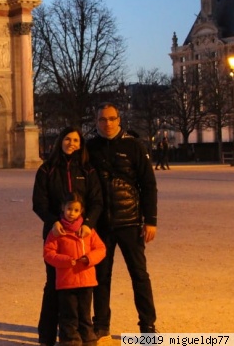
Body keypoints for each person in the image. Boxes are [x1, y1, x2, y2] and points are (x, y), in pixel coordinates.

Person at [87, 103, 159, 336]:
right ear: (96, 122)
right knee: (100, 277)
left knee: (139, 275)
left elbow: (148, 184)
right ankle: (100, 324)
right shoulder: (90, 148)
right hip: (101, 224)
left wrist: (151, 220)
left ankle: (147, 325)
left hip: (130, 220)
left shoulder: (134, 145)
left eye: (111, 119)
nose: (107, 123)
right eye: (102, 120)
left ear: (119, 120)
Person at [33, 126, 103, 346]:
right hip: (56, 232)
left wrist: (89, 224)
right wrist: (52, 221)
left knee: (82, 288)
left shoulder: (88, 170)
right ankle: (46, 335)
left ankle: (79, 334)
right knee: (53, 284)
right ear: (60, 141)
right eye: (67, 139)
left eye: (75, 140)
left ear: (80, 144)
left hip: (83, 234)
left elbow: (96, 201)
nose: (71, 143)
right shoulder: (47, 169)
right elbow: (39, 202)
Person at [43, 194, 106, 346]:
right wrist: (65, 261)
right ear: (63, 208)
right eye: (69, 209)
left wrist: (89, 259)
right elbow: (48, 253)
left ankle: (88, 338)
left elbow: (101, 249)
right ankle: (69, 339)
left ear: (81, 211)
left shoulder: (87, 231)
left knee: (85, 313)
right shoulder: (57, 232)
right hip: (67, 280)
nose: (72, 212)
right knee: (68, 313)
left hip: (86, 279)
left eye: (76, 210)